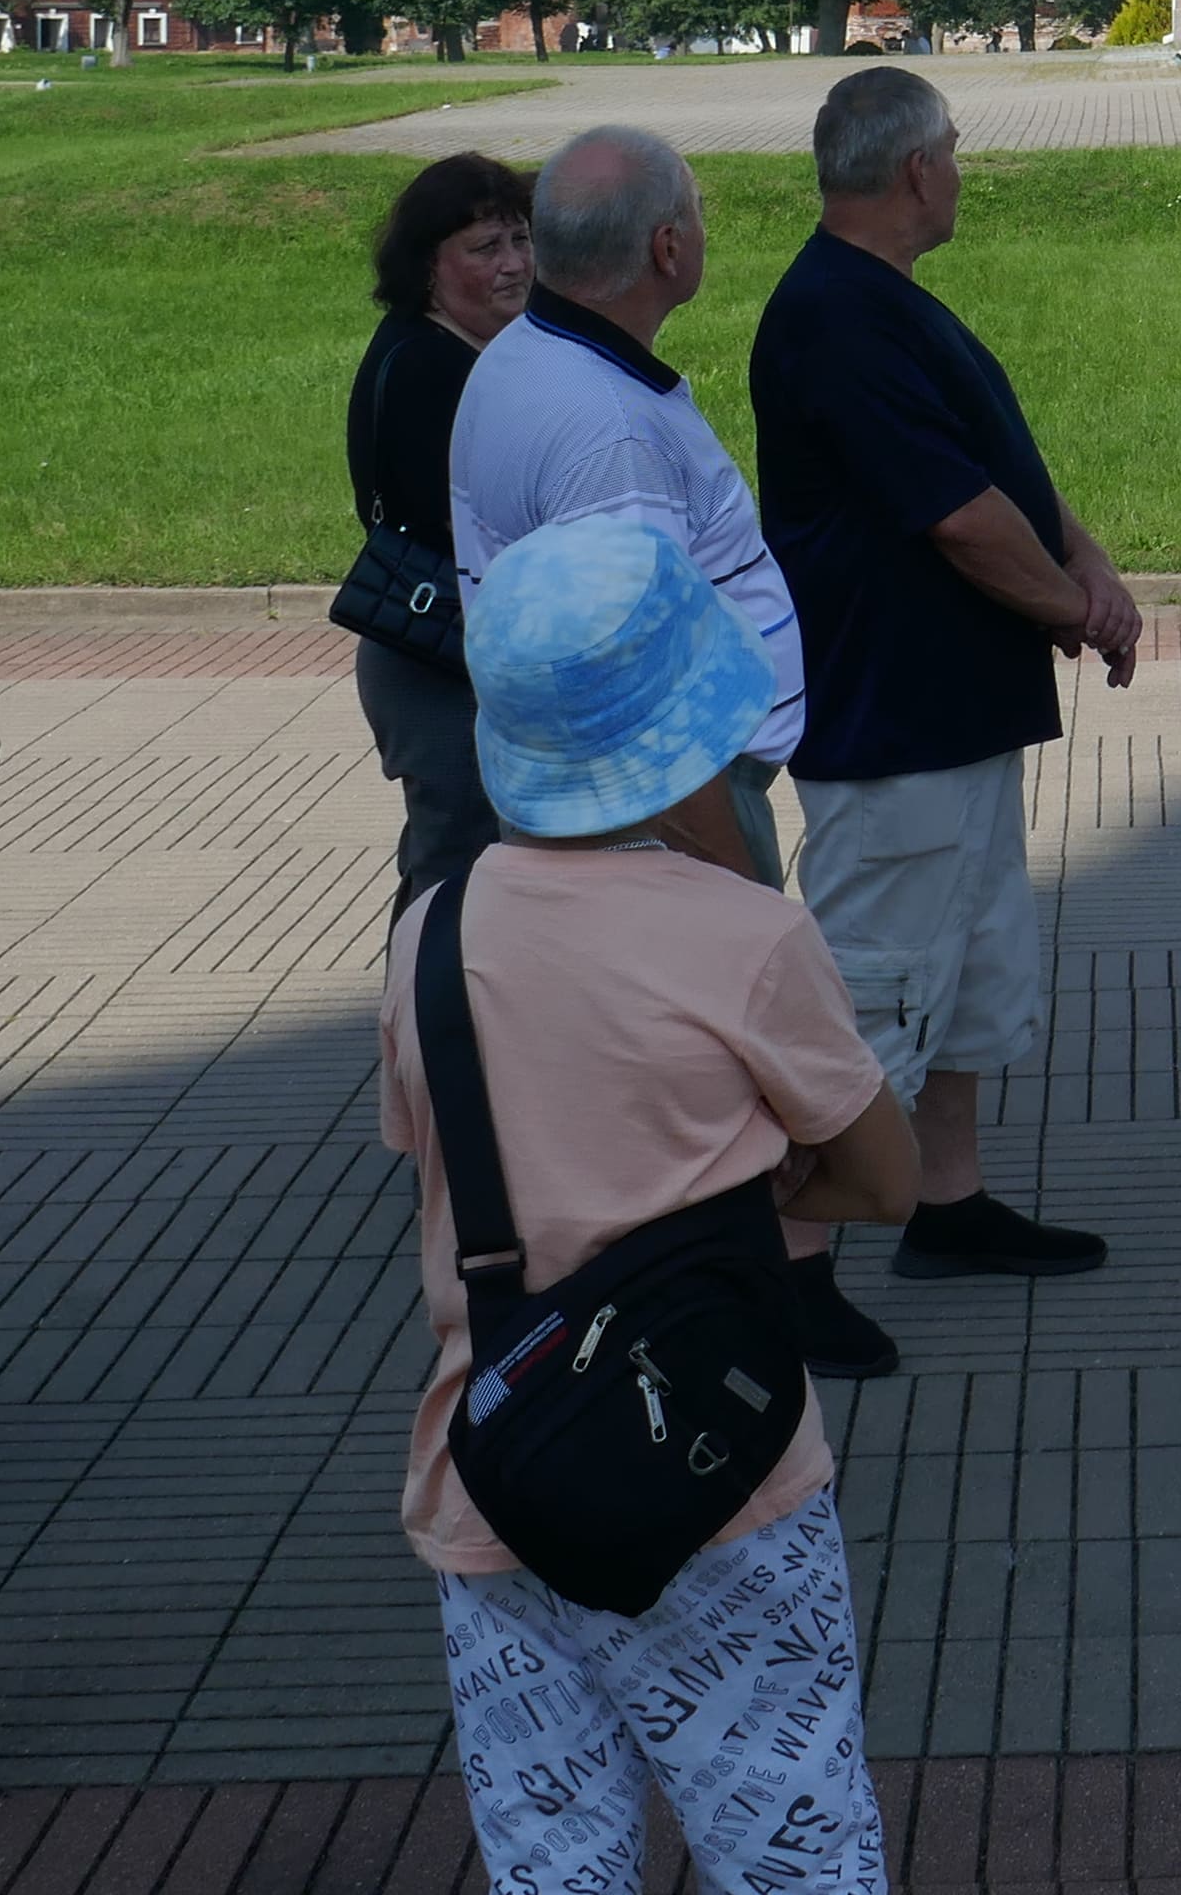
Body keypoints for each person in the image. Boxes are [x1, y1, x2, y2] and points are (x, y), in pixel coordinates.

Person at [385, 506, 916, 1895]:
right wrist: (773, 1167)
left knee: (555, 1859)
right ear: (698, 727)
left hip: (491, 1471)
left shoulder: (429, 935)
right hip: (722, 1482)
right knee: (793, 1838)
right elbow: (887, 1175)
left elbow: (442, 1149)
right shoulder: (748, 936)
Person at [449, 124, 859, 1364]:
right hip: (673, 794)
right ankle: (760, 1294)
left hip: (596, 791)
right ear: (668, 245)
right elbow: (630, 678)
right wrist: (737, 888)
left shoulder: (526, 358)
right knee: (714, 1051)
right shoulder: (607, 434)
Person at [748, 66, 1139, 1344]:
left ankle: (946, 1201)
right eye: (956, 153)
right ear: (915, 170)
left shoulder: (895, 305)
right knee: (869, 985)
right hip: (888, 720)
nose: (962, 172)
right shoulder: (834, 320)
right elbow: (961, 523)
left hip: (956, 712)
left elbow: (999, 471)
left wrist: (1083, 557)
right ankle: (792, 1257)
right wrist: (1074, 609)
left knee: (972, 967)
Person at [346, 151, 535, 905]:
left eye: (521, 239)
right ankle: (427, 1021)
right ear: (429, 266)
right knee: (456, 878)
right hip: (438, 663)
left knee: (463, 868)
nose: (515, 264)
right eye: (486, 248)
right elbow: (467, 526)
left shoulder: (467, 351)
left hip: (455, 652)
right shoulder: (430, 365)